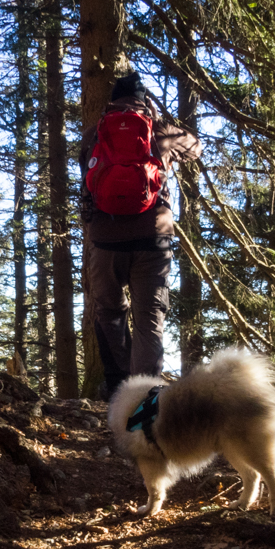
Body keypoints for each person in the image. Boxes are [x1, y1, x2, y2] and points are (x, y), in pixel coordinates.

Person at [79, 72, 202, 401]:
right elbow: (196, 148)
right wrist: (162, 126)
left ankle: (118, 388)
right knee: (149, 318)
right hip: (153, 236)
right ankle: (145, 398)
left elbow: (87, 178)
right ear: (144, 100)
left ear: (112, 100)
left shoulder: (94, 133)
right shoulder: (159, 131)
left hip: (104, 239)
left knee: (108, 311)